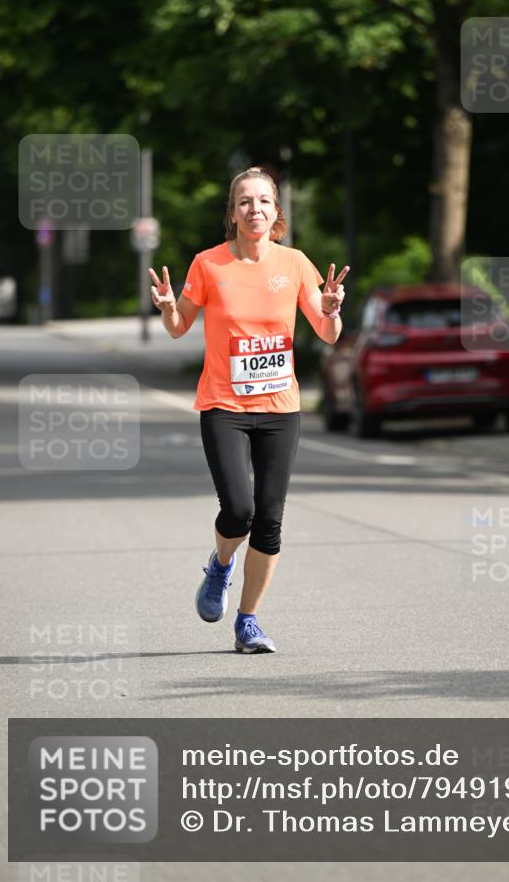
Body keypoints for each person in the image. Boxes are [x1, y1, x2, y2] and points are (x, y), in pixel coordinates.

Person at [148, 167, 348, 654]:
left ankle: (248, 621)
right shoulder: (208, 265)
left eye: (263, 201)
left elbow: (327, 335)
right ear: (232, 213)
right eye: (244, 202)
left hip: (281, 408)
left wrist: (332, 308)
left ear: (276, 211)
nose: (254, 209)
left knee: (271, 518)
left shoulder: (296, 262)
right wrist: (169, 307)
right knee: (239, 509)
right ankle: (219, 567)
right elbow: (179, 328)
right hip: (224, 405)